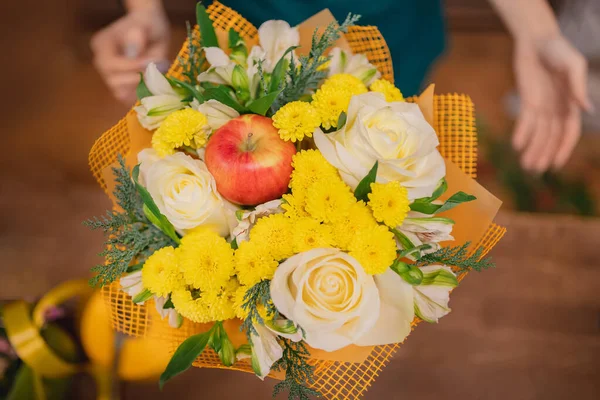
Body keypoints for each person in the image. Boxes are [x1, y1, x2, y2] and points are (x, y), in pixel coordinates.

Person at [91, 0, 593, 173]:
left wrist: (537, 29)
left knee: (379, 132)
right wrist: (143, 11)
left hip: (389, 25)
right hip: (252, 21)